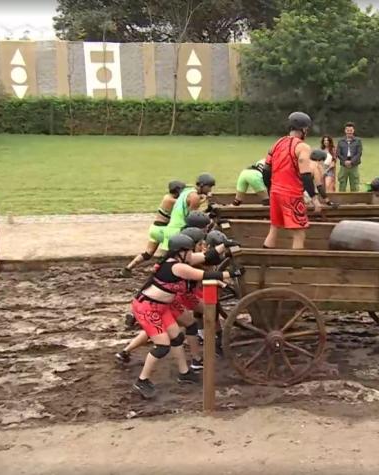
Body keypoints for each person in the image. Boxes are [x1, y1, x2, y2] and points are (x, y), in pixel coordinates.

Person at [128, 233, 244, 399]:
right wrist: (232, 274)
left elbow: (205, 256)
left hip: (162, 306)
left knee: (177, 338)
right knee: (162, 346)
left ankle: (184, 373)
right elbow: (205, 276)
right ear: (180, 252)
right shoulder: (178, 267)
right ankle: (142, 380)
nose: (191, 254)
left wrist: (224, 245)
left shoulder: (178, 260)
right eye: (188, 251)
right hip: (148, 308)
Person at [261, 112, 323, 250]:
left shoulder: (277, 143)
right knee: (299, 234)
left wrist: (271, 189)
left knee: (274, 229)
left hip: (275, 192)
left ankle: (263, 264)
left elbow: (266, 171)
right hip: (291, 194)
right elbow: (306, 175)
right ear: (304, 130)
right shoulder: (302, 147)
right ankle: (297, 269)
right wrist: (314, 199)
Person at [120, 180, 186, 276]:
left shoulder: (167, 197)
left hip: (154, 229)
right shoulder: (171, 200)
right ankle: (158, 270)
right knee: (168, 254)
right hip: (163, 230)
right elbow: (185, 203)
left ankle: (128, 268)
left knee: (148, 254)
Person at [336, 122, 363, 192]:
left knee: (355, 183)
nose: (349, 132)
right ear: (345, 131)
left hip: (354, 165)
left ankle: (355, 200)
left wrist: (351, 161)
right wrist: (344, 161)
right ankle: (341, 199)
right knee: (342, 183)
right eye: (348, 130)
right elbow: (338, 153)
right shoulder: (340, 141)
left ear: (353, 131)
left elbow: (359, 153)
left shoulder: (358, 141)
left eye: (351, 130)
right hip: (344, 165)